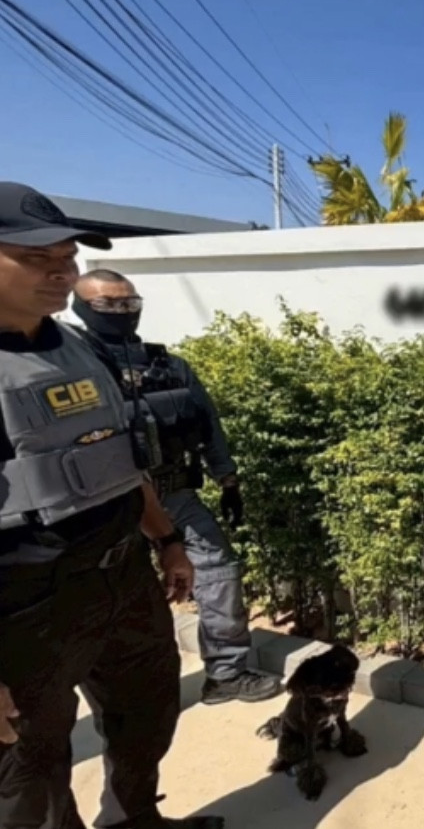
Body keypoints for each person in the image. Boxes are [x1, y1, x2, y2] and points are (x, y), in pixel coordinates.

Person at [0, 181, 223, 829]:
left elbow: (118, 460)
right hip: (24, 606)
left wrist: (167, 540)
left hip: (122, 577)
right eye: (36, 258)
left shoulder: (80, 348)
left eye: (66, 257)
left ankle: (133, 821)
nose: (61, 272)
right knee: (30, 769)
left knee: (146, 712)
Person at [69, 269, 282, 706]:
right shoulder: (70, 368)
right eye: (108, 304)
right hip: (110, 504)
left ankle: (226, 673)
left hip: (176, 494)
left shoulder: (167, 365)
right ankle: (132, 698)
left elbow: (207, 422)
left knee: (219, 572)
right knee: (121, 597)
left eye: (129, 302)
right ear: (81, 307)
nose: (122, 311)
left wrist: (228, 479)